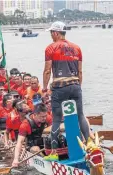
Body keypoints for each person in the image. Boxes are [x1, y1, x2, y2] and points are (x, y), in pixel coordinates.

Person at [42, 21, 90, 160]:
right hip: (75, 86)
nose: (51, 35)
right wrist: (78, 87)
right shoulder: (77, 48)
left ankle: (54, 153)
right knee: (80, 115)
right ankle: (89, 145)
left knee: (56, 119)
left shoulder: (50, 48)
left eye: (51, 33)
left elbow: (47, 71)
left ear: (56, 33)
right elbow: (80, 72)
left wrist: (45, 88)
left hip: (59, 87)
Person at [12, 103, 52, 167]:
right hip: (32, 146)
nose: (44, 118)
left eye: (45, 116)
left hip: (45, 144)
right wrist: (15, 159)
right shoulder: (25, 124)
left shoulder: (48, 118)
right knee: (36, 149)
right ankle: (47, 163)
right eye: (42, 117)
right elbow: (19, 142)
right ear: (35, 115)